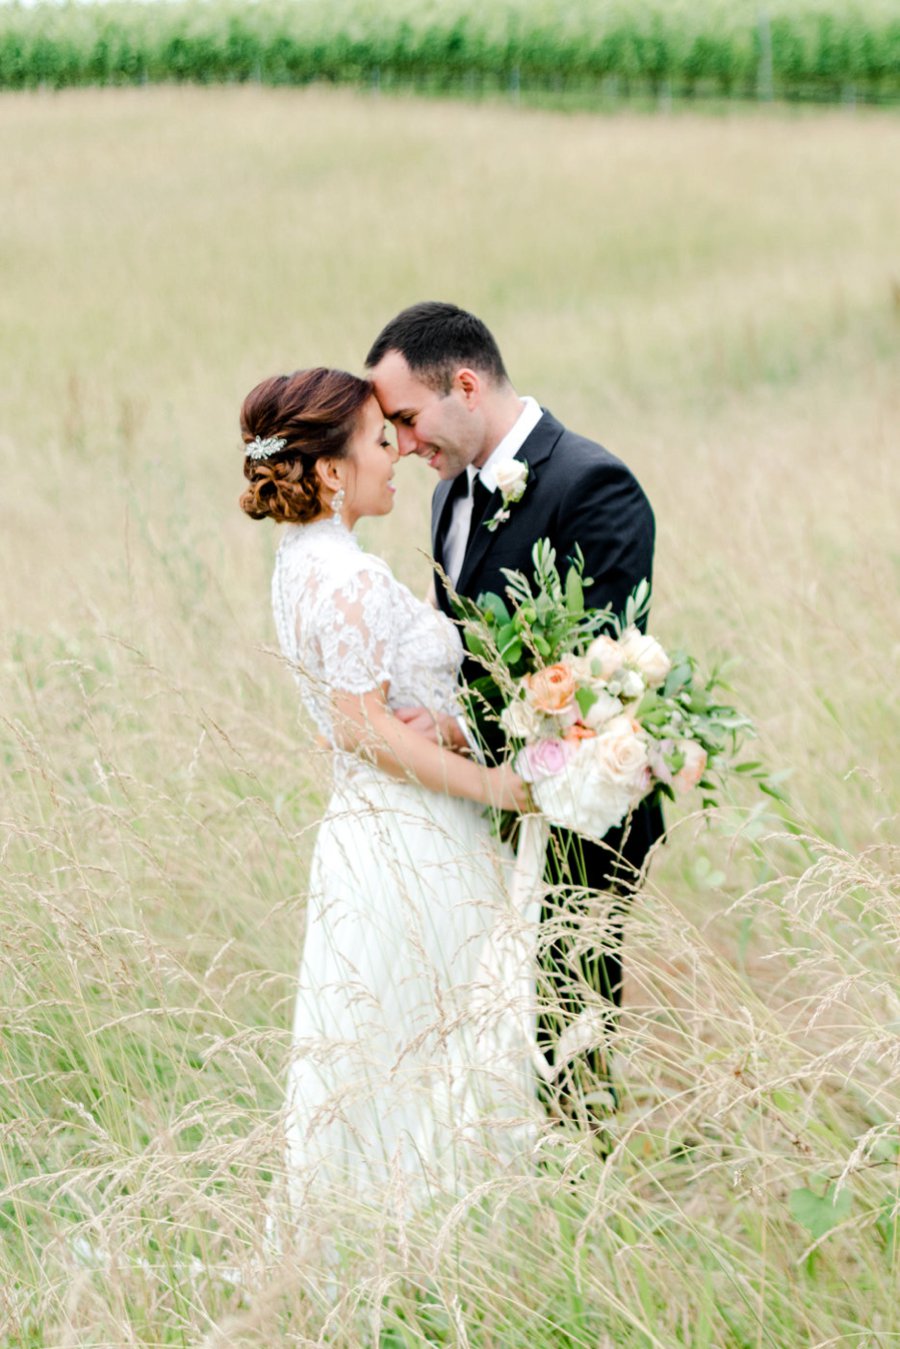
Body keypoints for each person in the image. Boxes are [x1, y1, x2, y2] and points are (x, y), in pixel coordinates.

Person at [238, 367, 539, 1210]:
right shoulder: (348, 576)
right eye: (379, 440)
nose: (398, 452)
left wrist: (445, 723)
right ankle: (424, 1238)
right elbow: (362, 727)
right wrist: (497, 786)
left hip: (366, 834)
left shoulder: (302, 562)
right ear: (331, 471)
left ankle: (373, 1248)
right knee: (433, 1054)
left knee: (380, 1063)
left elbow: (368, 717)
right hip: (414, 837)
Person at [365, 302, 665, 1124]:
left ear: (465, 385)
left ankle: (583, 1190)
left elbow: (598, 673)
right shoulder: (444, 500)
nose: (402, 443)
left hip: (581, 807)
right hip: (490, 805)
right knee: (491, 1014)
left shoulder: (590, 483)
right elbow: (472, 655)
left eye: (407, 418)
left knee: (569, 1022)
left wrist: (465, 728)